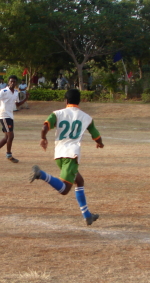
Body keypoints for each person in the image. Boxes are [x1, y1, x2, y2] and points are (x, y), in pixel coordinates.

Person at [29, 89, 103, 226]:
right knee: (65, 190)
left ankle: (87, 216)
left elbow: (45, 127)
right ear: (79, 101)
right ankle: (41, 174)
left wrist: (43, 138)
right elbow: (96, 135)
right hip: (72, 155)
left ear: (66, 101)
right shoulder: (86, 117)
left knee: (79, 181)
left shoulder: (57, 114)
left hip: (59, 155)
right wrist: (100, 143)